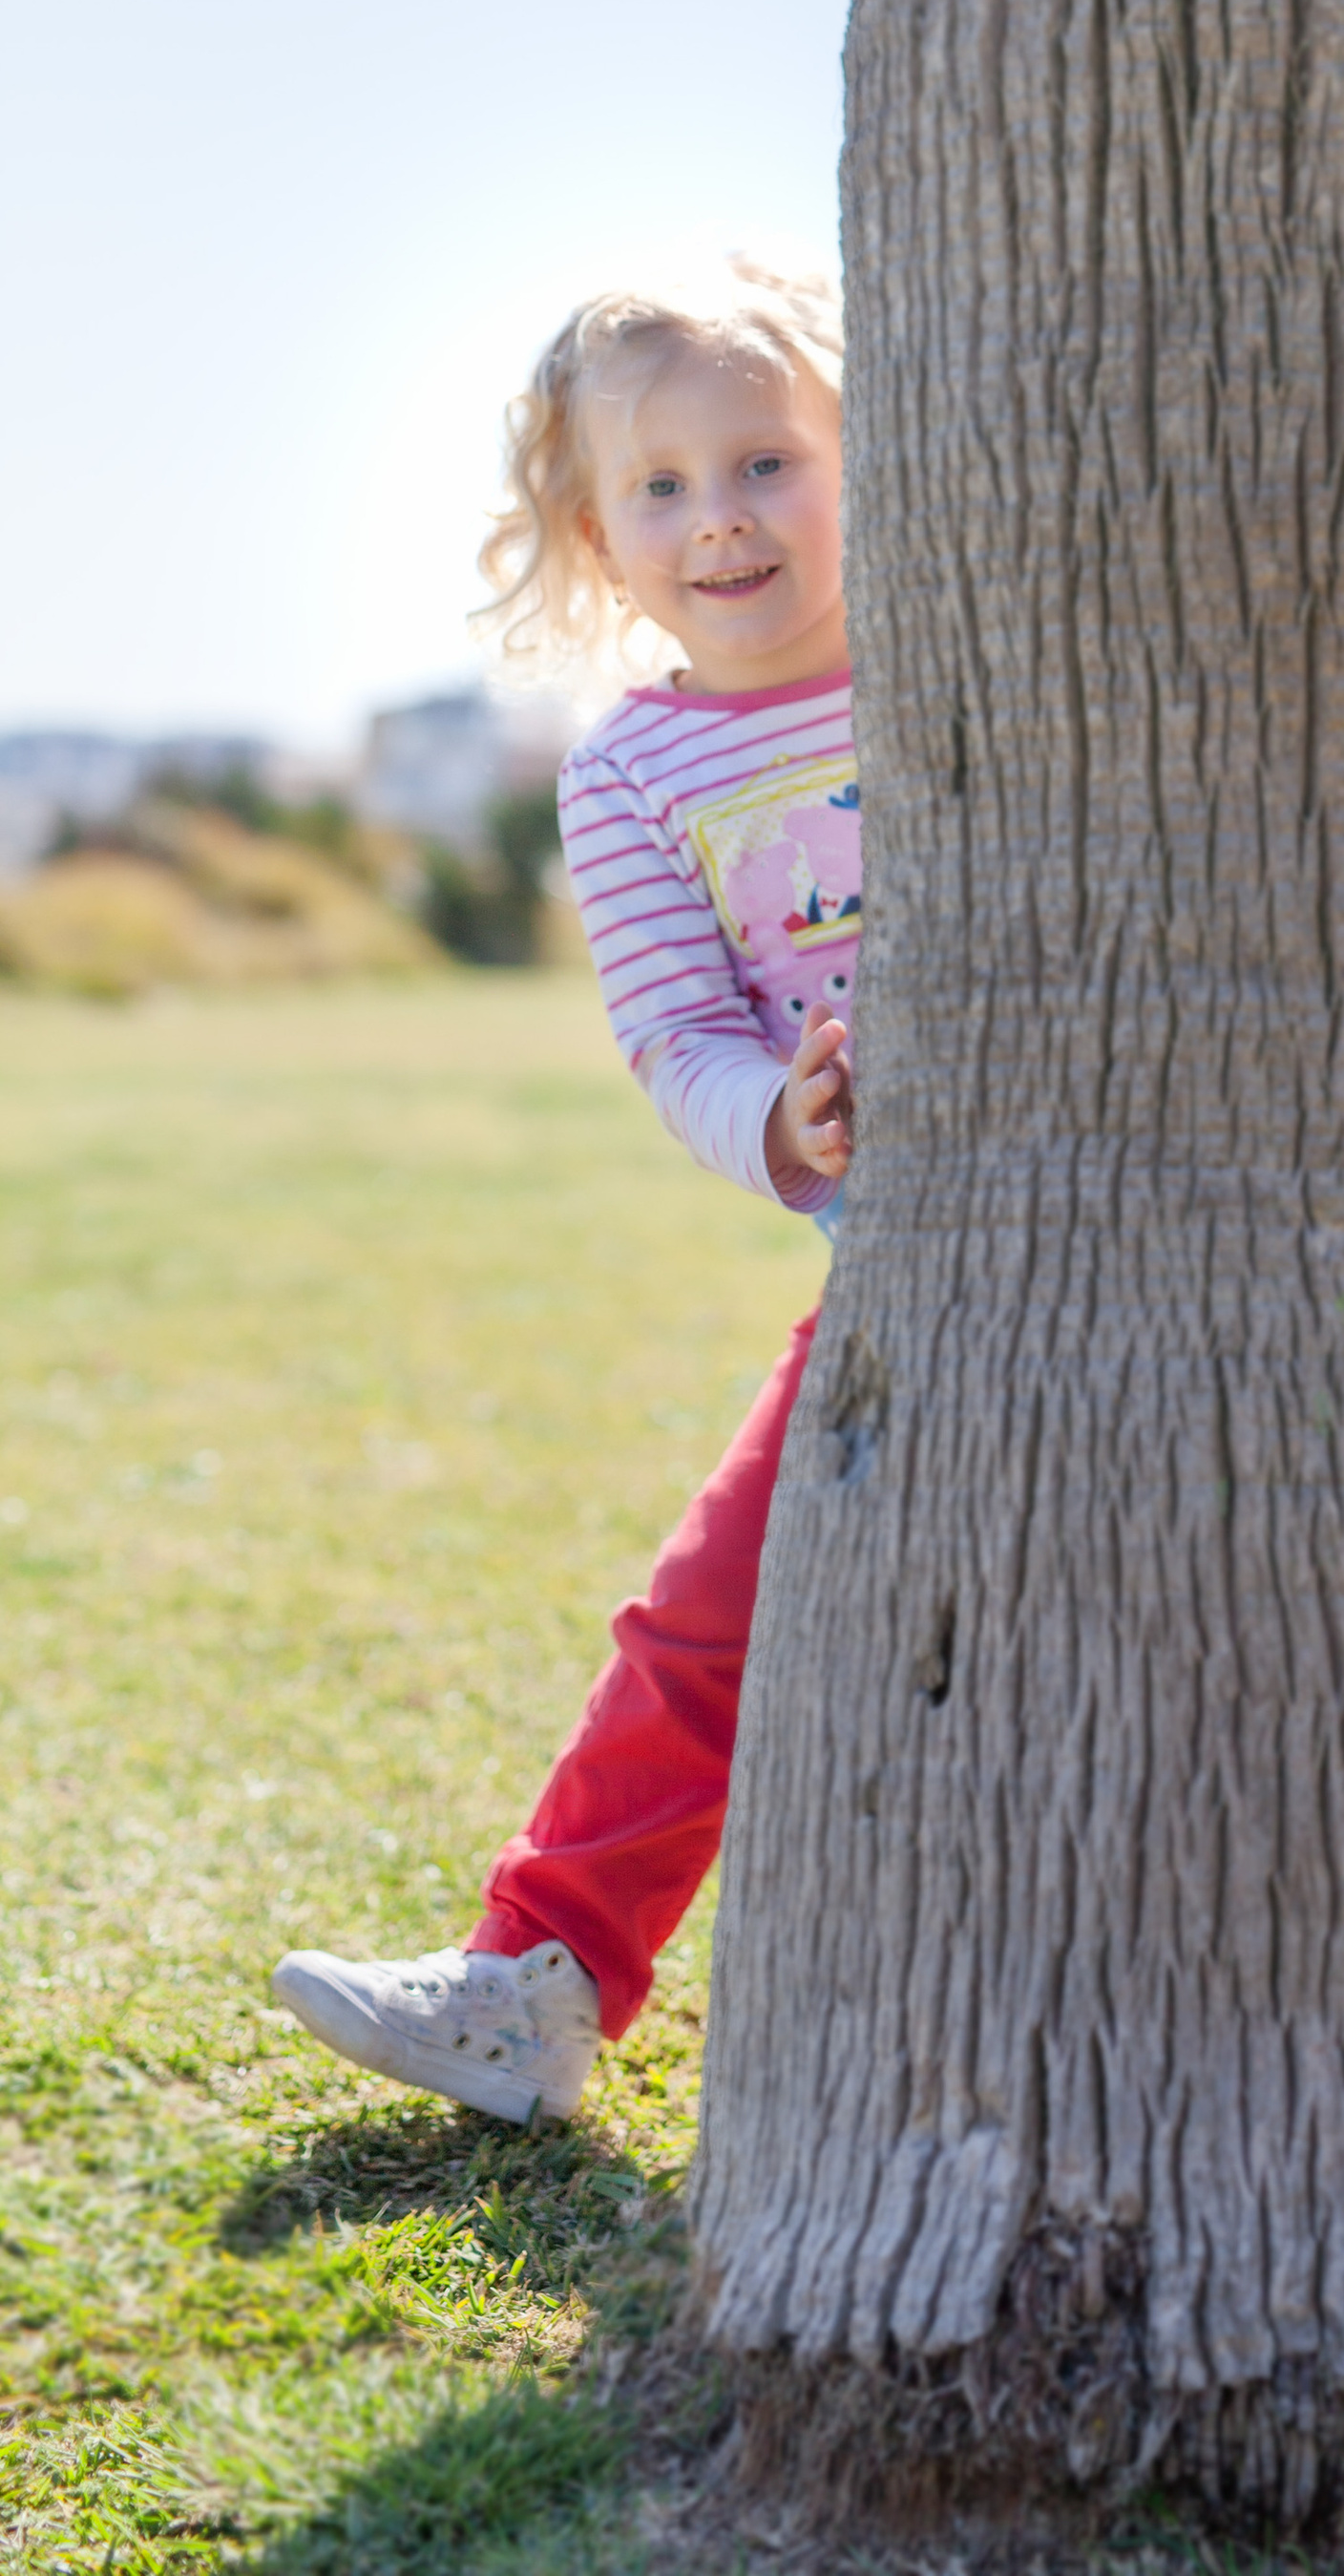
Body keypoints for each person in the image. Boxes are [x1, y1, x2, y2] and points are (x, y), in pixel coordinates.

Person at [272, 260, 862, 2126]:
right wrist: (786, 1116)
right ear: (598, 538)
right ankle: (537, 1982)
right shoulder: (627, 775)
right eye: (663, 490)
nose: (724, 519)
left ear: (857, 456)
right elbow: (675, 1032)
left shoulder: (967, 660)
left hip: (1153, 1197)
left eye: (765, 460)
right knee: (703, 1620)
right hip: (910, 1266)